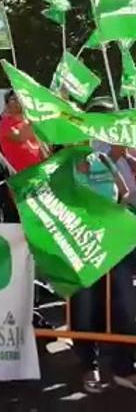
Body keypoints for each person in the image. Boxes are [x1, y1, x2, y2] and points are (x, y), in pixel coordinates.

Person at [67, 145, 136, 392]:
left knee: (123, 304)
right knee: (84, 308)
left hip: (113, 243)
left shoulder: (104, 160)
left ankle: (124, 368)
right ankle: (89, 365)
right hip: (81, 247)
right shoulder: (62, 166)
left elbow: (124, 191)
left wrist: (116, 211)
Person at [0, 89, 44, 172]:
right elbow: (21, 137)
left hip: (38, 172)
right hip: (18, 174)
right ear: (7, 104)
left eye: (20, 98)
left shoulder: (29, 123)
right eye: (14, 99)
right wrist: (36, 116)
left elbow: (41, 147)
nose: (18, 101)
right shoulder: (5, 123)